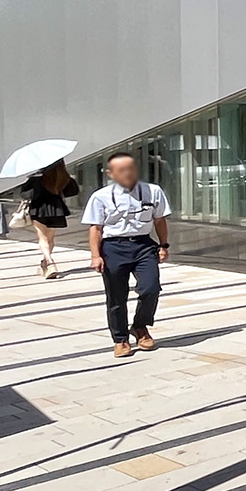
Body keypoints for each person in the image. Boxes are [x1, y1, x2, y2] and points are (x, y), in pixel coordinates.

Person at [83, 151, 172, 359]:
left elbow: (160, 220)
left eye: (131, 168)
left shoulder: (153, 191)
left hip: (143, 245)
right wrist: (96, 256)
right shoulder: (100, 196)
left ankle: (140, 326)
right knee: (116, 295)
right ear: (110, 173)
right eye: (122, 170)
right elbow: (96, 228)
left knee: (151, 288)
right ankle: (120, 338)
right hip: (113, 247)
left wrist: (163, 245)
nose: (128, 173)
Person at [24, 160, 82, 279]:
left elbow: (25, 194)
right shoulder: (63, 177)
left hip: (39, 209)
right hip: (57, 209)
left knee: (42, 238)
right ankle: (45, 264)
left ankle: (50, 262)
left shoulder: (37, 179)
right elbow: (73, 191)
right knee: (50, 238)